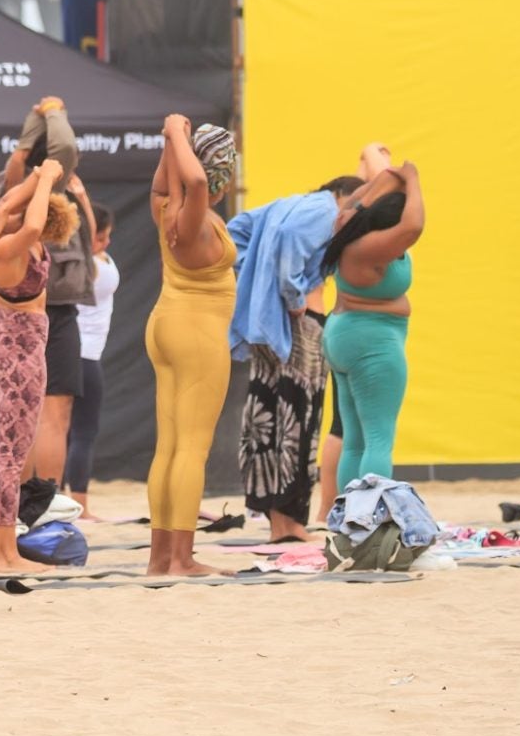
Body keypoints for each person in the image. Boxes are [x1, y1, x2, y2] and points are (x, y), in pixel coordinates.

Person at [227, 166, 370, 541]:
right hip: (298, 325)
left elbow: (235, 232)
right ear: (346, 198)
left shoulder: (288, 205)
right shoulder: (324, 212)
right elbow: (289, 240)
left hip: (266, 325)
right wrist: (290, 295)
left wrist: (254, 278)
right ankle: (289, 522)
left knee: (269, 416)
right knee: (298, 417)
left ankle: (280, 523)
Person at [144, 117, 240, 577]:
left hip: (164, 324)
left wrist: (169, 138)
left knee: (169, 447)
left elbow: (177, 179)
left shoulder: (165, 208)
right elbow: (198, 179)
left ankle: (160, 557)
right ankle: (182, 558)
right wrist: (176, 133)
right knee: (191, 449)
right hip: (197, 332)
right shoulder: (195, 218)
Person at [0, 99, 95, 505]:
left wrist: (38, 122)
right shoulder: (11, 187)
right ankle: (25, 499)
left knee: (55, 410)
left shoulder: (57, 187)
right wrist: (53, 113)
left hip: (59, 310)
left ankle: (47, 501)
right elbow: (62, 149)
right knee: (27, 412)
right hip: (25, 313)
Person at [0, 162, 75, 572]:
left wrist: (37, 178)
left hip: (6, 345)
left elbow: (9, 204)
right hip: (17, 351)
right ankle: (3, 555)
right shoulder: (4, 246)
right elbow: (33, 226)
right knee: (8, 457)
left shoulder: (3, 227)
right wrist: (48, 181)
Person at [323, 153, 426, 488]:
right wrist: (412, 180)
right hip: (371, 341)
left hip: (346, 336)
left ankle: (348, 522)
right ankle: (369, 524)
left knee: (354, 439)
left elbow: (371, 188)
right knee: (379, 439)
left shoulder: (348, 224)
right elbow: (413, 226)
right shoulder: (370, 247)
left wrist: (390, 170)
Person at [60, 204, 118, 506]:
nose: (106, 242)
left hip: (74, 352)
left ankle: (61, 498)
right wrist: (81, 199)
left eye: (108, 236)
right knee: (82, 431)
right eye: (100, 236)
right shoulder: (87, 265)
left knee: (63, 431)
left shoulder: (77, 261)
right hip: (84, 355)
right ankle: (79, 504)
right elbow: (84, 238)